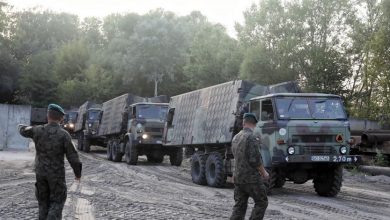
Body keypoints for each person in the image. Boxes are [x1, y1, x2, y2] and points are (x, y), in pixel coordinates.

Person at [19, 103, 82, 220]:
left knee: (43, 203)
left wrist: (30, 127)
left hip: (40, 173)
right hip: (56, 176)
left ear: (48, 115)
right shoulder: (64, 135)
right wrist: (78, 174)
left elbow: (22, 130)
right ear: (61, 118)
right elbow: (73, 157)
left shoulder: (37, 130)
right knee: (57, 203)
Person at [230, 113, 269, 220]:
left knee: (239, 206)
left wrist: (235, 173)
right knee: (261, 202)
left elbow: (236, 157)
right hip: (251, 179)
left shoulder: (235, 138)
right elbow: (255, 160)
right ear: (254, 124)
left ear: (243, 123)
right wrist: (264, 173)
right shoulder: (251, 138)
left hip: (238, 178)